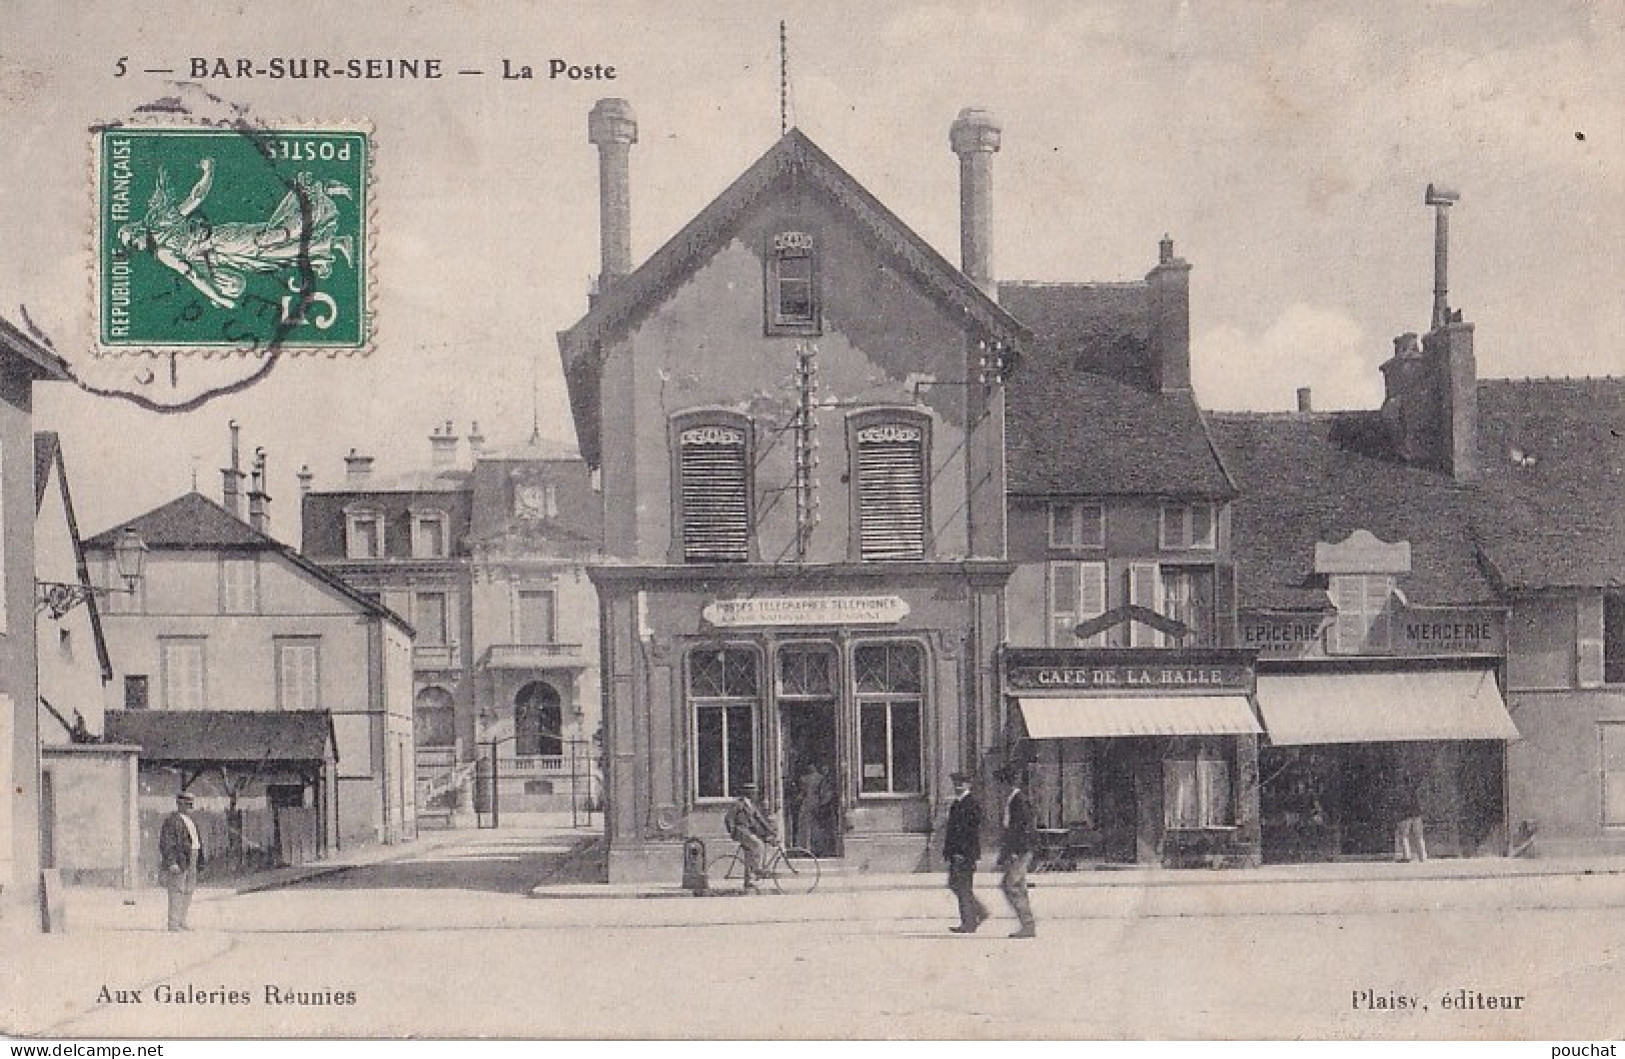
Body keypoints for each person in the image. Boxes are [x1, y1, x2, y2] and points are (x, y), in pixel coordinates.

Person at [995, 763, 1038, 938]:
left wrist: (1015, 851)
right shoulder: (1014, 799)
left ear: (1006, 784)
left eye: (1000, 783)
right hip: (1019, 849)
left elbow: (1022, 828)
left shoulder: (1018, 800)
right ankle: (1028, 925)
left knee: (1011, 884)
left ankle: (1028, 925)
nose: (998, 788)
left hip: (1021, 849)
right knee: (1017, 885)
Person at [944, 771, 989, 934]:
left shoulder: (971, 803)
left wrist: (961, 853)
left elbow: (971, 832)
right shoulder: (956, 803)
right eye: (955, 783)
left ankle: (969, 922)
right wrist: (948, 851)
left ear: (969, 784)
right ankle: (978, 913)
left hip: (965, 853)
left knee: (962, 886)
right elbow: (951, 831)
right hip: (956, 853)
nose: (957, 786)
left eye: (961, 783)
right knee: (956, 885)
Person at [159, 791, 204, 931]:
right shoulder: (172, 821)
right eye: (187, 804)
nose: (190, 807)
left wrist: (200, 860)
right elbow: (166, 843)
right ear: (179, 804)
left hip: (193, 856)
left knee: (188, 890)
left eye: (191, 804)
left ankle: (182, 920)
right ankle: (173, 923)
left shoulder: (192, 821)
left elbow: (196, 841)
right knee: (176, 890)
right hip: (180, 859)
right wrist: (172, 862)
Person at [723, 782, 775, 893]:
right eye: (754, 793)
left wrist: (771, 831)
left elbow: (760, 820)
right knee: (758, 845)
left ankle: (749, 881)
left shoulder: (751, 805)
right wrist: (732, 831)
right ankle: (757, 870)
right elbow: (728, 818)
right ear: (749, 793)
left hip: (748, 831)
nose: (756, 795)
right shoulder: (739, 804)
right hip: (741, 831)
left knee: (749, 854)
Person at [795, 762, 833, 855]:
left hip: (808, 802)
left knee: (807, 826)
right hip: (815, 802)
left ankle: (806, 847)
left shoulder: (804, 779)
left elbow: (802, 794)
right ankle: (815, 848)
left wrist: (796, 800)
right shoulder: (820, 778)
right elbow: (823, 792)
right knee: (814, 826)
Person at [1394, 779, 1427, 863]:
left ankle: (1406, 855)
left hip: (1406, 815)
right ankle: (1422, 856)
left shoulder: (1402, 793)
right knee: (1419, 835)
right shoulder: (1415, 793)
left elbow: (1402, 804)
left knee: (1404, 835)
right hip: (1417, 814)